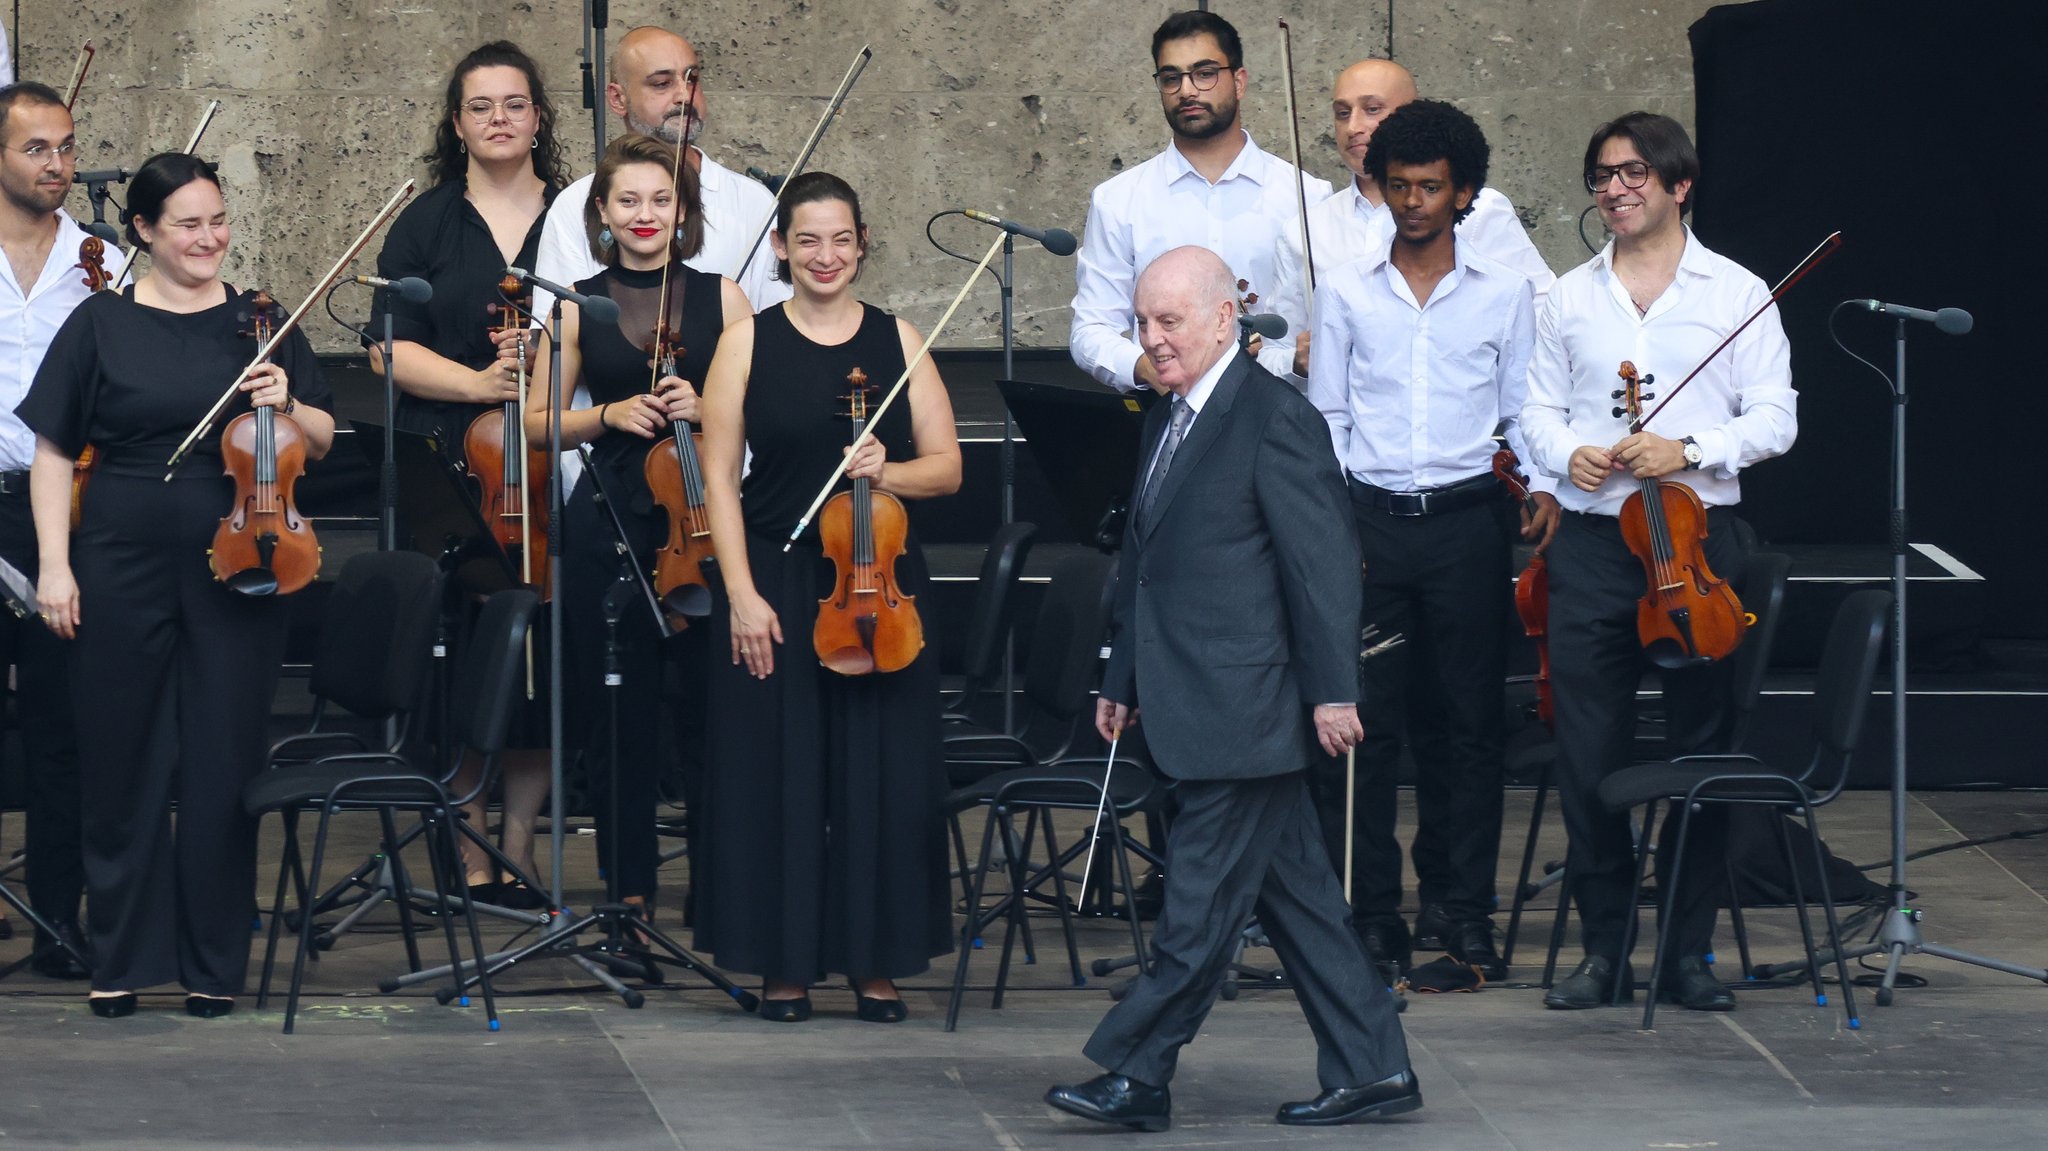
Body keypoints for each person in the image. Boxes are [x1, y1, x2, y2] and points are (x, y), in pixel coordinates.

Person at [1045, 246, 1415, 1132]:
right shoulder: (1163, 415)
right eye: (1142, 322)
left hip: (1248, 708)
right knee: (1301, 900)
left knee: (1199, 906)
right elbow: (1146, 564)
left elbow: (1323, 567)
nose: (1153, 339)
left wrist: (1333, 689)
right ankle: (1373, 1065)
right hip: (1189, 695)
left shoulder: (1275, 417)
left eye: (1170, 321)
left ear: (1225, 319)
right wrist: (1121, 674)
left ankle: (1138, 1073)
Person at [17, 151, 336, 1017]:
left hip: (245, 555)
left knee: (223, 761)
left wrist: (286, 404)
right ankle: (121, 955)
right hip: (118, 553)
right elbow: (51, 452)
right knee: (120, 757)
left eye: (218, 219)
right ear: (146, 232)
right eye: (188, 223)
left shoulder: (261, 324)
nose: (209, 238)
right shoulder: (99, 325)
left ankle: (211, 962)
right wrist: (54, 564)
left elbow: (325, 436)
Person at [1520, 111, 1796, 1011]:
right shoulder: (1566, 296)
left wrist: (1691, 446)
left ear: (1680, 185)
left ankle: (1686, 952)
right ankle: (1604, 951)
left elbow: (1775, 419)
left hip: (1704, 547)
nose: (1615, 189)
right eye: (1602, 175)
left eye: (1635, 173)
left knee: (1704, 752)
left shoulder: (1740, 291)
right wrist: (1571, 456)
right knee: (1588, 754)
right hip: (1599, 547)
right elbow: (1534, 413)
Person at [694, 171, 957, 1022]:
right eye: (807, 239)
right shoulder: (747, 343)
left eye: (840, 238)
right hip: (776, 575)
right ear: (780, 248)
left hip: (874, 581)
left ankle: (874, 961)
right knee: (778, 775)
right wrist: (739, 592)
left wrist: (892, 468)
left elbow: (947, 468)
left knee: (878, 774)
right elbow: (717, 482)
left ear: (862, 243)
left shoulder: (899, 339)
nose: (825, 255)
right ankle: (785, 963)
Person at [1306, 100, 1555, 987]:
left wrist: (1545, 484)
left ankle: (1460, 910)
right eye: (1399, 186)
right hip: (1367, 522)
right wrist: (1334, 527)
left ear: (1465, 194)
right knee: (1363, 730)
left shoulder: (1504, 292)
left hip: (1466, 524)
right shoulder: (1343, 289)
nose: (1412, 203)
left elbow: (1524, 412)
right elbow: (1327, 415)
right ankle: (1369, 915)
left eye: (1431, 188)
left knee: (1467, 728)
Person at [525, 132, 749, 920]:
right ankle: (629, 896)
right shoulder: (575, 302)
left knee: (711, 717)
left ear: (682, 210)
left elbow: (758, 416)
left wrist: (711, 409)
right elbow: (534, 423)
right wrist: (611, 413)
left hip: (704, 524)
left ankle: (721, 894)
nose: (645, 214)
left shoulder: (725, 298)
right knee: (619, 719)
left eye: (661, 199)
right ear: (601, 212)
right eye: (628, 201)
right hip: (610, 527)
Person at [368, 40, 568, 903]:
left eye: (514, 104)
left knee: (541, 655)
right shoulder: (427, 221)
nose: (498, 119)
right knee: (458, 658)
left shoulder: (574, 215)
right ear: (456, 124)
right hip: (446, 465)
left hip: (547, 461)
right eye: (480, 106)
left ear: (537, 118)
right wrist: (482, 384)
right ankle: (467, 836)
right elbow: (384, 347)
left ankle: (520, 834)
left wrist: (541, 376)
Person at [1070, 9, 1328, 394]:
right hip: (1168, 414)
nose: (1187, 90)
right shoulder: (1119, 200)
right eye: (1171, 78)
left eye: (1205, 73)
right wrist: (1147, 367)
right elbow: (1091, 329)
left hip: (1280, 413)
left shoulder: (1305, 196)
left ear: (1239, 81)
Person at [0, 81, 89, 979]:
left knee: (66, 718)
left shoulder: (99, 263)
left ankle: (61, 919)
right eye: (35, 148)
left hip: (66, 503)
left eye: (64, 146)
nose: (57, 164)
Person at [532, 26, 788, 320]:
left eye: (692, 79)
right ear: (618, 99)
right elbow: (558, 337)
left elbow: (775, 326)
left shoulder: (753, 201)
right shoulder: (575, 204)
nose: (684, 95)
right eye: (662, 83)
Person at [1305, 59, 1553, 300]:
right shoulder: (1306, 229)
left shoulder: (1483, 209)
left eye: (1372, 109)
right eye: (1342, 113)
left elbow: (1538, 302)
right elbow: (1282, 338)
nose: (1352, 127)